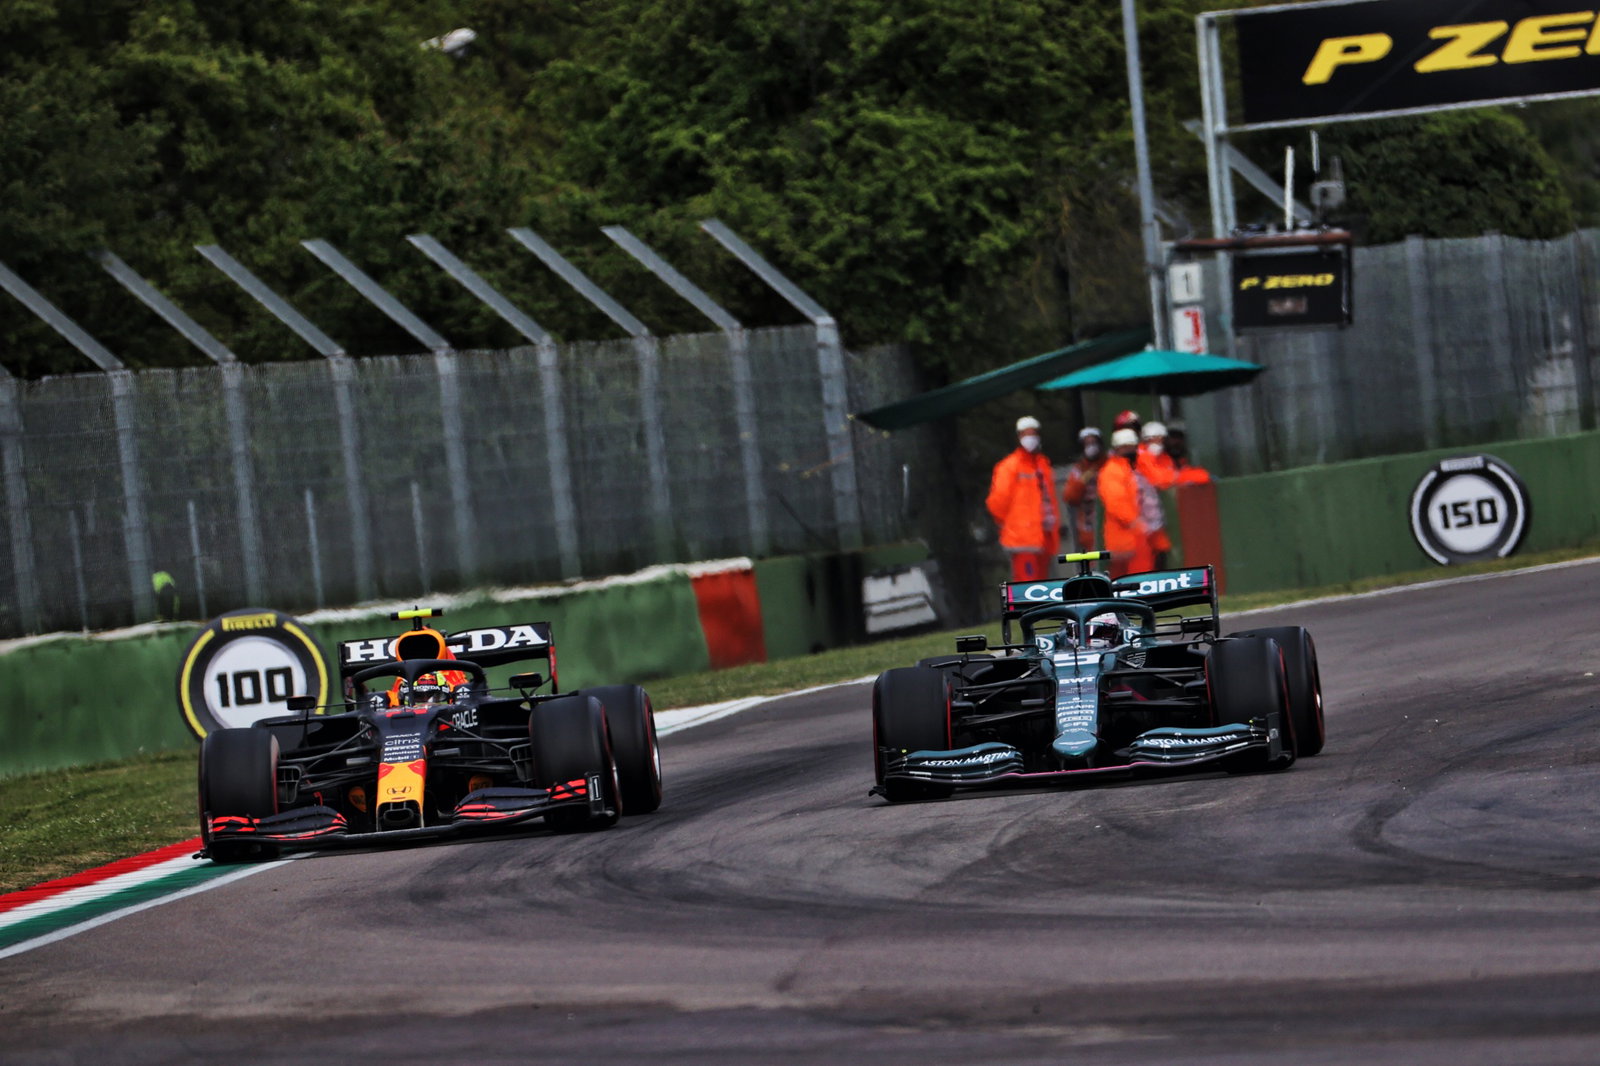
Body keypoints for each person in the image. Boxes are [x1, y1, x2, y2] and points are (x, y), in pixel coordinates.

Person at [986, 415, 1061, 582]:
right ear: (1019, 437)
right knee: (1028, 586)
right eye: (1026, 434)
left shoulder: (1043, 464)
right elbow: (997, 502)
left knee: (1042, 585)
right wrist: (1012, 524)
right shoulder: (1009, 466)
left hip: (1044, 538)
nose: (1030, 437)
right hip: (1023, 541)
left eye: (1033, 433)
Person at [1098, 428, 1155, 578]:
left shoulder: (1129, 468)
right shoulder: (1112, 470)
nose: (1130, 450)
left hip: (1135, 536)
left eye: (1131, 446)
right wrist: (1135, 522)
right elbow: (1115, 503)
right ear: (1117, 448)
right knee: (1125, 578)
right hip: (1124, 537)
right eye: (1125, 447)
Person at [388, 624, 468, 707]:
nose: (427, 705)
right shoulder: (397, 695)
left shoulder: (456, 690)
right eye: (419, 697)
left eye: (435, 697)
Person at [1058, 426, 1105, 552]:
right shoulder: (1078, 470)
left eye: (1093, 442)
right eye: (1087, 444)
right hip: (1088, 529)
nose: (1091, 447)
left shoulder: (1109, 465)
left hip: (1109, 527)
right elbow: (1069, 497)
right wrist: (1081, 482)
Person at [1138, 421, 1176, 569]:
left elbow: (1169, 477)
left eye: (1160, 439)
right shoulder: (1141, 457)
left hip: (1155, 517)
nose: (1157, 443)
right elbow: (1161, 479)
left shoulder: (1164, 458)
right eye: (1153, 439)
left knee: (1161, 553)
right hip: (1140, 516)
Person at [1165, 419, 1213, 486]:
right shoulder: (1159, 464)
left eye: (1180, 437)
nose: (1176, 442)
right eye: (1173, 437)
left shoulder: (1189, 464)